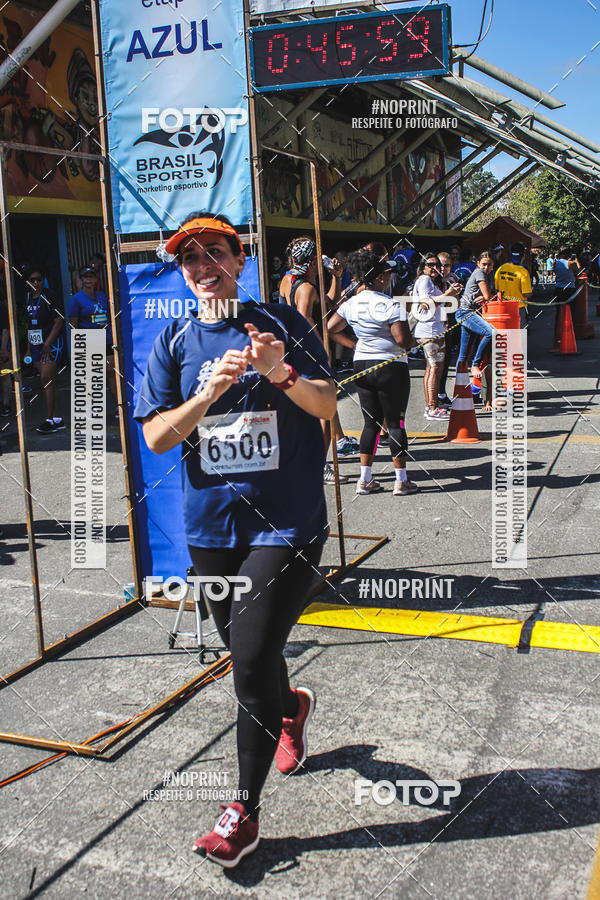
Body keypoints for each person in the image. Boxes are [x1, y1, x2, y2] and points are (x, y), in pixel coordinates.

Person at [135, 212, 336, 868]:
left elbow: (327, 406)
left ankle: (242, 815)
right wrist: (207, 394)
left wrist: (281, 374)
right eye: (190, 257)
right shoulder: (173, 340)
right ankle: (291, 707)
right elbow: (156, 437)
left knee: (248, 660)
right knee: (248, 650)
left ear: (239, 259)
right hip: (213, 528)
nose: (203, 266)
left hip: (286, 522)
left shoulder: (283, 323)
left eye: (214, 252)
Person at [327, 249, 417, 496]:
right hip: (390, 365)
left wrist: (355, 345)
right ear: (377, 278)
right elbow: (402, 340)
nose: (389, 277)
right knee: (395, 423)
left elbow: (331, 328)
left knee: (370, 424)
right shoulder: (390, 304)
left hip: (362, 365)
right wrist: (413, 340)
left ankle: (365, 479)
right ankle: (401, 480)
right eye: (387, 273)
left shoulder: (350, 304)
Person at [279, 236, 357, 475]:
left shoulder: (288, 280)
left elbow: (330, 303)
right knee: (323, 408)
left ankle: (333, 444)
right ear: (313, 262)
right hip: (308, 355)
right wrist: (319, 350)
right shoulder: (306, 288)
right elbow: (304, 319)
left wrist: (336, 277)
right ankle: (319, 465)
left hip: (292, 351)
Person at [412, 253, 462, 420]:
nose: (435, 268)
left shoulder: (431, 281)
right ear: (423, 266)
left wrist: (452, 294)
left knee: (433, 368)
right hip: (430, 331)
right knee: (434, 369)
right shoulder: (425, 280)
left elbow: (445, 304)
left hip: (435, 329)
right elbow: (426, 304)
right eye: (430, 264)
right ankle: (432, 408)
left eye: (437, 265)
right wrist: (449, 293)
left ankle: (432, 406)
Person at [68, 264, 117, 410]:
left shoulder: (102, 296)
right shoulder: (76, 299)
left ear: (96, 279)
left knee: (111, 372)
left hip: (107, 339)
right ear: (81, 279)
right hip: (90, 340)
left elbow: (110, 317)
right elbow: (73, 325)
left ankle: (118, 406)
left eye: (91, 277)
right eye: (85, 277)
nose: (88, 280)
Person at [24, 267, 65, 433]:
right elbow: (29, 326)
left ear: (43, 280)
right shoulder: (28, 297)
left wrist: (48, 344)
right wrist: (28, 349)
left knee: (46, 379)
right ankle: (58, 419)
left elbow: (59, 320)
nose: (36, 283)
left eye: (39, 279)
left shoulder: (49, 296)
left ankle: (48, 420)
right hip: (36, 346)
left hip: (51, 345)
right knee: (50, 382)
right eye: (32, 280)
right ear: (28, 282)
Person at [455, 250, 496, 379]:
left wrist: (487, 297)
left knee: (464, 355)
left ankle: (460, 387)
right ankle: (475, 364)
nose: (486, 267)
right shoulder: (479, 272)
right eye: (484, 264)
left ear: (493, 265)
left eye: (489, 264)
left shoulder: (489, 275)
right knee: (491, 333)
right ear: (478, 263)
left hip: (471, 313)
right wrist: (487, 297)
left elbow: (489, 296)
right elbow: (488, 296)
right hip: (466, 312)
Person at [437, 251, 461, 407]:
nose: (443, 268)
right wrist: (448, 295)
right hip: (435, 323)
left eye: (447, 265)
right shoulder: (432, 280)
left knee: (446, 360)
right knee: (436, 362)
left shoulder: (453, 279)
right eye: (440, 265)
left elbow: (456, 304)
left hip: (449, 320)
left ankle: (442, 393)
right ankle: (435, 399)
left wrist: (455, 293)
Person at [494, 241, 532, 328]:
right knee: (518, 333)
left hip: (503, 307)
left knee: (505, 332)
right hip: (518, 308)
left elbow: (496, 289)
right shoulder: (523, 272)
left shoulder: (501, 269)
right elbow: (526, 294)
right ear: (523, 256)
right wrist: (531, 292)